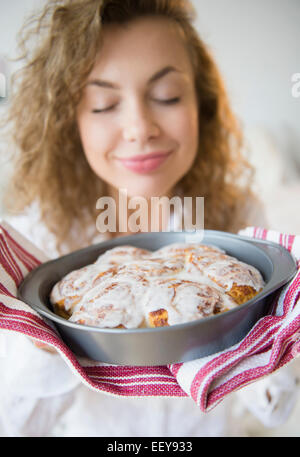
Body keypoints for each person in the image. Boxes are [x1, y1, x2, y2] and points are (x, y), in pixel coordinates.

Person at [0, 0, 297, 437]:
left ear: (202, 104)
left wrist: (272, 339)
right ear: (70, 122)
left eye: (166, 96)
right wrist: (45, 343)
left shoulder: (238, 224)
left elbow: (274, 409)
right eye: (103, 103)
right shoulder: (37, 246)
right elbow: (15, 426)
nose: (139, 126)